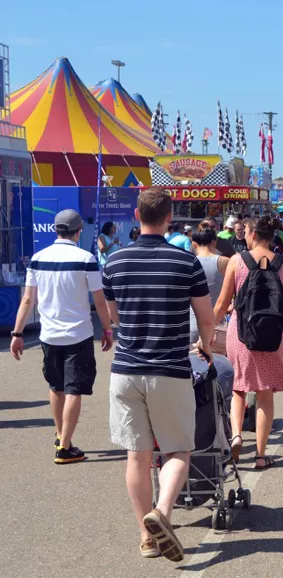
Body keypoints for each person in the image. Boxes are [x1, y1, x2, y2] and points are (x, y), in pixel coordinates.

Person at [102, 188, 215, 562]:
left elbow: (115, 316)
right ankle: (162, 513)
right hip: (169, 368)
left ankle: (145, 535)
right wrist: (206, 346)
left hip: (126, 369)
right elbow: (205, 317)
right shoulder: (186, 263)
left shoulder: (114, 262)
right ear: (170, 217)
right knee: (178, 449)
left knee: (137, 455)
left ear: (137, 215)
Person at [10, 209, 113, 464]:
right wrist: (108, 329)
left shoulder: (38, 258)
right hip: (78, 334)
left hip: (49, 334)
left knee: (56, 387)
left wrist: (17, 333)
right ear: (78, 231)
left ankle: (60, 435)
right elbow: (99, 301)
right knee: (74, 388)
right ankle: (65, 447)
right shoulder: (86, 258)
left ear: (56, 230)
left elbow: (27, 300)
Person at [214, 215, 283, 469]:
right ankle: (261, 456)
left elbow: (222, 303)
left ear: (251, 233)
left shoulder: (237, 261)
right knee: (265, 395)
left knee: (239, 389)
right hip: (273, 336)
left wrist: (208, 331)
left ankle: (237, 434)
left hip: (240, 334)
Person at [188, 225, 230, 346]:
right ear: (214, 242)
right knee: (218, 364)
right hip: (218, 328)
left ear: (194, 244)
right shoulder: (224, 262)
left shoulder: (187, 263)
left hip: (192, 325)